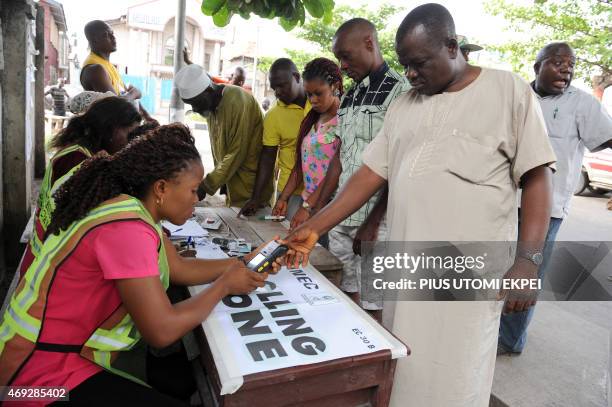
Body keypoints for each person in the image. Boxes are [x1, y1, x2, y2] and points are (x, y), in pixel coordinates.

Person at [283, 4, 556, 406]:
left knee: (456, 382)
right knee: (404, 371)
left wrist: (528, 261)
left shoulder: (508, 91)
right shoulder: (404, 105)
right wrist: (313, 227)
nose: (410, 74)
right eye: (406, 65)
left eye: (419, 63)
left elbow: (537, 178)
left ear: (451, 46)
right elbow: (366, 177)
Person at [0, 124, 278, 405]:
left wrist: (242, 263)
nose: (197, 199)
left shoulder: (135, 211)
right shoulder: (128, 229)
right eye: (193, 191)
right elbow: (161, 330)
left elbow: (178, 268)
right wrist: (224, 287)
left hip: (58, 362)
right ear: (161, 188)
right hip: (33, 381)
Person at [498, 42, 612, 355]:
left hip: (549, 208)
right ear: (537, 66)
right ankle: (491, 328)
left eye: (570, 64)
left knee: (527, 273)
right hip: (505, 200)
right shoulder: (517, 95)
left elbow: (607, 138)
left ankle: (509, 340)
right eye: (558, 62)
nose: (566, 69)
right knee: (499, 266)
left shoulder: (583, 104)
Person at [310, 18, 410, 319]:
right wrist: (316, 208)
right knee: (343, 292)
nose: (341, 65)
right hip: (343, 216)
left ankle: (373, 359)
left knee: (373, 303)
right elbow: (338, 158)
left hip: (377, 222)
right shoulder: (350, 95)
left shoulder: (401, 92)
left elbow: (399, 165)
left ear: (369, 43)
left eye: (346, 56)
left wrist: (374, 222)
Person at [20, 96, 142, 277]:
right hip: (47, 267)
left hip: (46, 257)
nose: (132, 142)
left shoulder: (83, 152)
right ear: (110, 129)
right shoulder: (77, 161)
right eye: (129, 134)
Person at [174, 63, 273, 207]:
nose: (195, 109)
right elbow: (219, 150)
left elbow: (236, 152)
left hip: (252, 191)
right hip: (232, 188)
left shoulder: (238, 100)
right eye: (191, 105)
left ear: (208, 90)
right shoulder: (210, 107)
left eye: (196, 103)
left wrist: (205, 186)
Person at [272, 58, 343, 241]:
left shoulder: (344, 120)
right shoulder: (312, 119)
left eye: (318, 93)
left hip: (331, 207)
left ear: (334, 86)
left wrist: (307, 207)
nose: (313, 100)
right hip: (309, 204)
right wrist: (283, 198)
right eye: (309, 94)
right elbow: (300, 167)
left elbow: (334, 173)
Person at [239, 58, 311, 219]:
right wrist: (255, 198)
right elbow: (267, 157)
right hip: (289, 193)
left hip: (320, 190)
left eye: (281, 85)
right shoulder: (273, 116)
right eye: (274, 88)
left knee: (319, 241)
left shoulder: (319, 102)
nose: (277, 92)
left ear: (297, 77)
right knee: (290, 237)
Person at [80, 20, 152, 121]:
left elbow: (124, 94)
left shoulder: (110, 67)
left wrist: (147, 116)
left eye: (112, 34)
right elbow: (116, 106)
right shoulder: (95, 69)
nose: (113, 37)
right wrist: (135, 93)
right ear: (94, 39)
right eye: (106, 35)